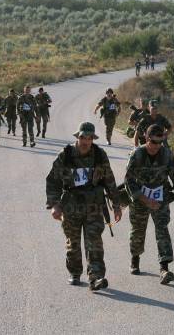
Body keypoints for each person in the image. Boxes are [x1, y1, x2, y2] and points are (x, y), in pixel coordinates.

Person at [46, 122, 121, 291]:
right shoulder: (65, 155)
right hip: (71, 206)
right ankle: (74, 272)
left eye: (89, 138)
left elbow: (110, 180)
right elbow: (53, 180)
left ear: (93, 138)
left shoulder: (100, 155)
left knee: (94, 241)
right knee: (73, 243)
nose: (86, 141)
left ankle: (96, 277)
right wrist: (54, 205)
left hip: (94, 206)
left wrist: (116, 205)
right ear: (77, 137)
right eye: (82, 137)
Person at [125, 124, 174, 285]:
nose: (157, 146)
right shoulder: (137, 155)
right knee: (138, 230)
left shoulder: (167, 155)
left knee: (162, 229)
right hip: (140, 199)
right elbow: (129, 181)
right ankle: (135, 259)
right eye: (153, 142)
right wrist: (146, 200)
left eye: (160, 142)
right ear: (146, 139)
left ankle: (164, 267)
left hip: (160, 198)